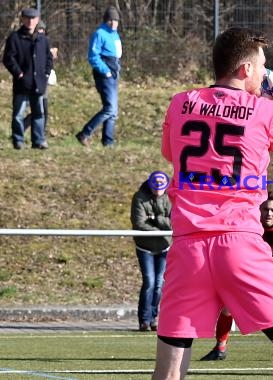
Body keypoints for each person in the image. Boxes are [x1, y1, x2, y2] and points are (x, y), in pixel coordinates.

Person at [152, 27, 273, 380]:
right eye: (262, 66)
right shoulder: (265, 111)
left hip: (188, 248)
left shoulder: (179, 102)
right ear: (245, 69)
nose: (265, 75)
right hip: (240, 244)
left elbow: (170, 153)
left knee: (168, 374)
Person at [200, 193, 273, 361]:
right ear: (259, 209)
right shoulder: (250, 225)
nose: (269, 213)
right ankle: (220, 347)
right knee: (227, 308)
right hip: (252, 274)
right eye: (265, 209)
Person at [3, 7, 53, 150]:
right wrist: (19, 74)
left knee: (39, 113)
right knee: (19, 114)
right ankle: (18, 140)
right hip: (22, 84)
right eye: (28, 18)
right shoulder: (15, 37)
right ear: (23, 20)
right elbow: (8, 58)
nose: (30, 21)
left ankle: (38, 140)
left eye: (33, 19)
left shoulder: (43, 39)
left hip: (39, 83)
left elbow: (49, 58)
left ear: (37, 20)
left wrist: (46, 74)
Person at [130, 173, 172, 332]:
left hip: (164, 246)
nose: (157, 191)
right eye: (155, 188)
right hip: (144, 246)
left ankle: (154, 318)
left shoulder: (170, 198)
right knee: (149, 282)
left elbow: (174, 221)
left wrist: (156, 218)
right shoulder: (139, 197)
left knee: (159, 284)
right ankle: (144, 320)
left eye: (161, 188)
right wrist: (162, 227)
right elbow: (139, 223)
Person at [75, 6, 122, 147]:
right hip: (104, 76)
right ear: (105, 20)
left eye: (116, 20)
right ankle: (85, 133)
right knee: (109, 108)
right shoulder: (99, 34)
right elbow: (93, 56)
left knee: (113, 112)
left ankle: (108, 142)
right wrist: (106, 71)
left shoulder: (115, 34)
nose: (113, 23)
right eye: (110, 20)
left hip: (113, 74)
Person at [24, 20, 57, 132]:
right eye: (39, 30)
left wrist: (51, 59)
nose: (41, 32)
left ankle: (38, 132)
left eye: (43, 30)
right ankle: (29, 130)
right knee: (40, 109)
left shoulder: (46, 42)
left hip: (43, 80)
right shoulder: (30, 43)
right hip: (33, 80)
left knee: (42, 109)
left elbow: (48, 61)